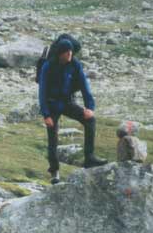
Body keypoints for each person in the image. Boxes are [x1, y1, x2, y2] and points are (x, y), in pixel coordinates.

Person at [38, 38, 106, 184]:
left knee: (90, 120)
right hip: (51, 104)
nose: (70, 54)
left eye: (71, 51)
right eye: (66, 52)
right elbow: (42, 91)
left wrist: (90, 107)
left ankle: (89, 158)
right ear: (60, 53)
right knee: (53, 137)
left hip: (67, 102)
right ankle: (54, 172)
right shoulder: (48, 66)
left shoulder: (75, 64)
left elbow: (84, 86)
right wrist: (46, 114)